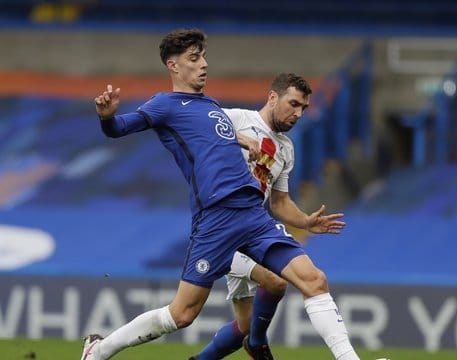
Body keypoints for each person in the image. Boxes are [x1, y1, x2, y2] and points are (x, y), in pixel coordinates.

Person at [82, 29, 360, 360]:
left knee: (313, 279)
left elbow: (215, 138)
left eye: (203, 57)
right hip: (216, 218)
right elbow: (119, 129)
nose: (204, 64)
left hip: (253, 214)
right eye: (194, 58)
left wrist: (242, 140)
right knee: (181, 315)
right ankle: (99, 351)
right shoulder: (164, 105)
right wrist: (106, 117)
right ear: (173, 65)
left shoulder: (212, 105)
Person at [190, 73, 346, 359]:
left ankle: (225, 350)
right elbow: (195, 120)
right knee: (274, 282)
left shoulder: (286, 148)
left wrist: (306, 221)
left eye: (303, 108)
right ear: (273, 97)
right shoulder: (237, 118)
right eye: (293, 104)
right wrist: (236, 138)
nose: (298, 113)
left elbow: (279, 202)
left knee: (244, 326)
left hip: (249, 230)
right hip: (219, 229)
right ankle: (258, 344)